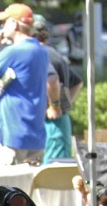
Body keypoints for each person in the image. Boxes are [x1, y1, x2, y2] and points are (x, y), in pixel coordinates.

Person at [0, 3, 51, 166]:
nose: (2, 27)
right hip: (36, 135)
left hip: (12, 136)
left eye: (4, 23)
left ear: (14, 23)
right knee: (29, 189)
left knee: (7, 189)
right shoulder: (41, 51)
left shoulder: (13, 51)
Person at [33, 16, 84, 164]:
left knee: (52, 171)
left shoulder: (42, 53)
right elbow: (78, 82)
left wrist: (54, 106)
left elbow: (52, 79)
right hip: (59, 122)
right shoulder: (53, 52)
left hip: (53, 123)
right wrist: (64, 106)